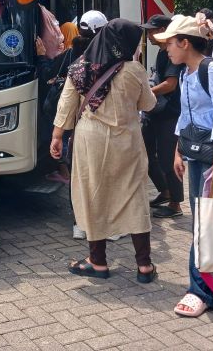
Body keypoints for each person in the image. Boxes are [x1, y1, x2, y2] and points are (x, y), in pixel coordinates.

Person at [151, 15, 213, 318]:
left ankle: (201, 290)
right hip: (198, 150)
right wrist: (179, 151)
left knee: (207, 219)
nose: (166, 49)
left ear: (184, 42)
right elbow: (188, 114)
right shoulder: (186, 73)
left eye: (169, 43)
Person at [50, 19, 158, 282]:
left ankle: (97, 261)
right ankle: (144, 265)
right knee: (134, 196)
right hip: (128, 141)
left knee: (93, 194)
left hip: (91, 141)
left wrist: (56, 136)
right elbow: (149, 104)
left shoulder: (80, 67)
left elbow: (66, 105)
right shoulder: (134, 70)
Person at [39, 10, 107, 240]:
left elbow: (64, 99)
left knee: (79, 176)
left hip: (77, 129)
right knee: (102, 176)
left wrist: (57, 134)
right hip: (105, 129)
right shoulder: (113, 60)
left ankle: (80, 222)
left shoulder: (71, 59)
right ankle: (103, 223)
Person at [140, 14, 184, 219]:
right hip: (155, 111)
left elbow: (171, 84)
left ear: (165, 30)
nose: (149, 35)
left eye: (152, 30)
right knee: (144, 151)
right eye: (148, 31)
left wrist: (146, 93)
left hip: (169, 113)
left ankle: (175, 203)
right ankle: (164, 190)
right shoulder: (161, 52)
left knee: (168, 158)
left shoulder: (171, 52)